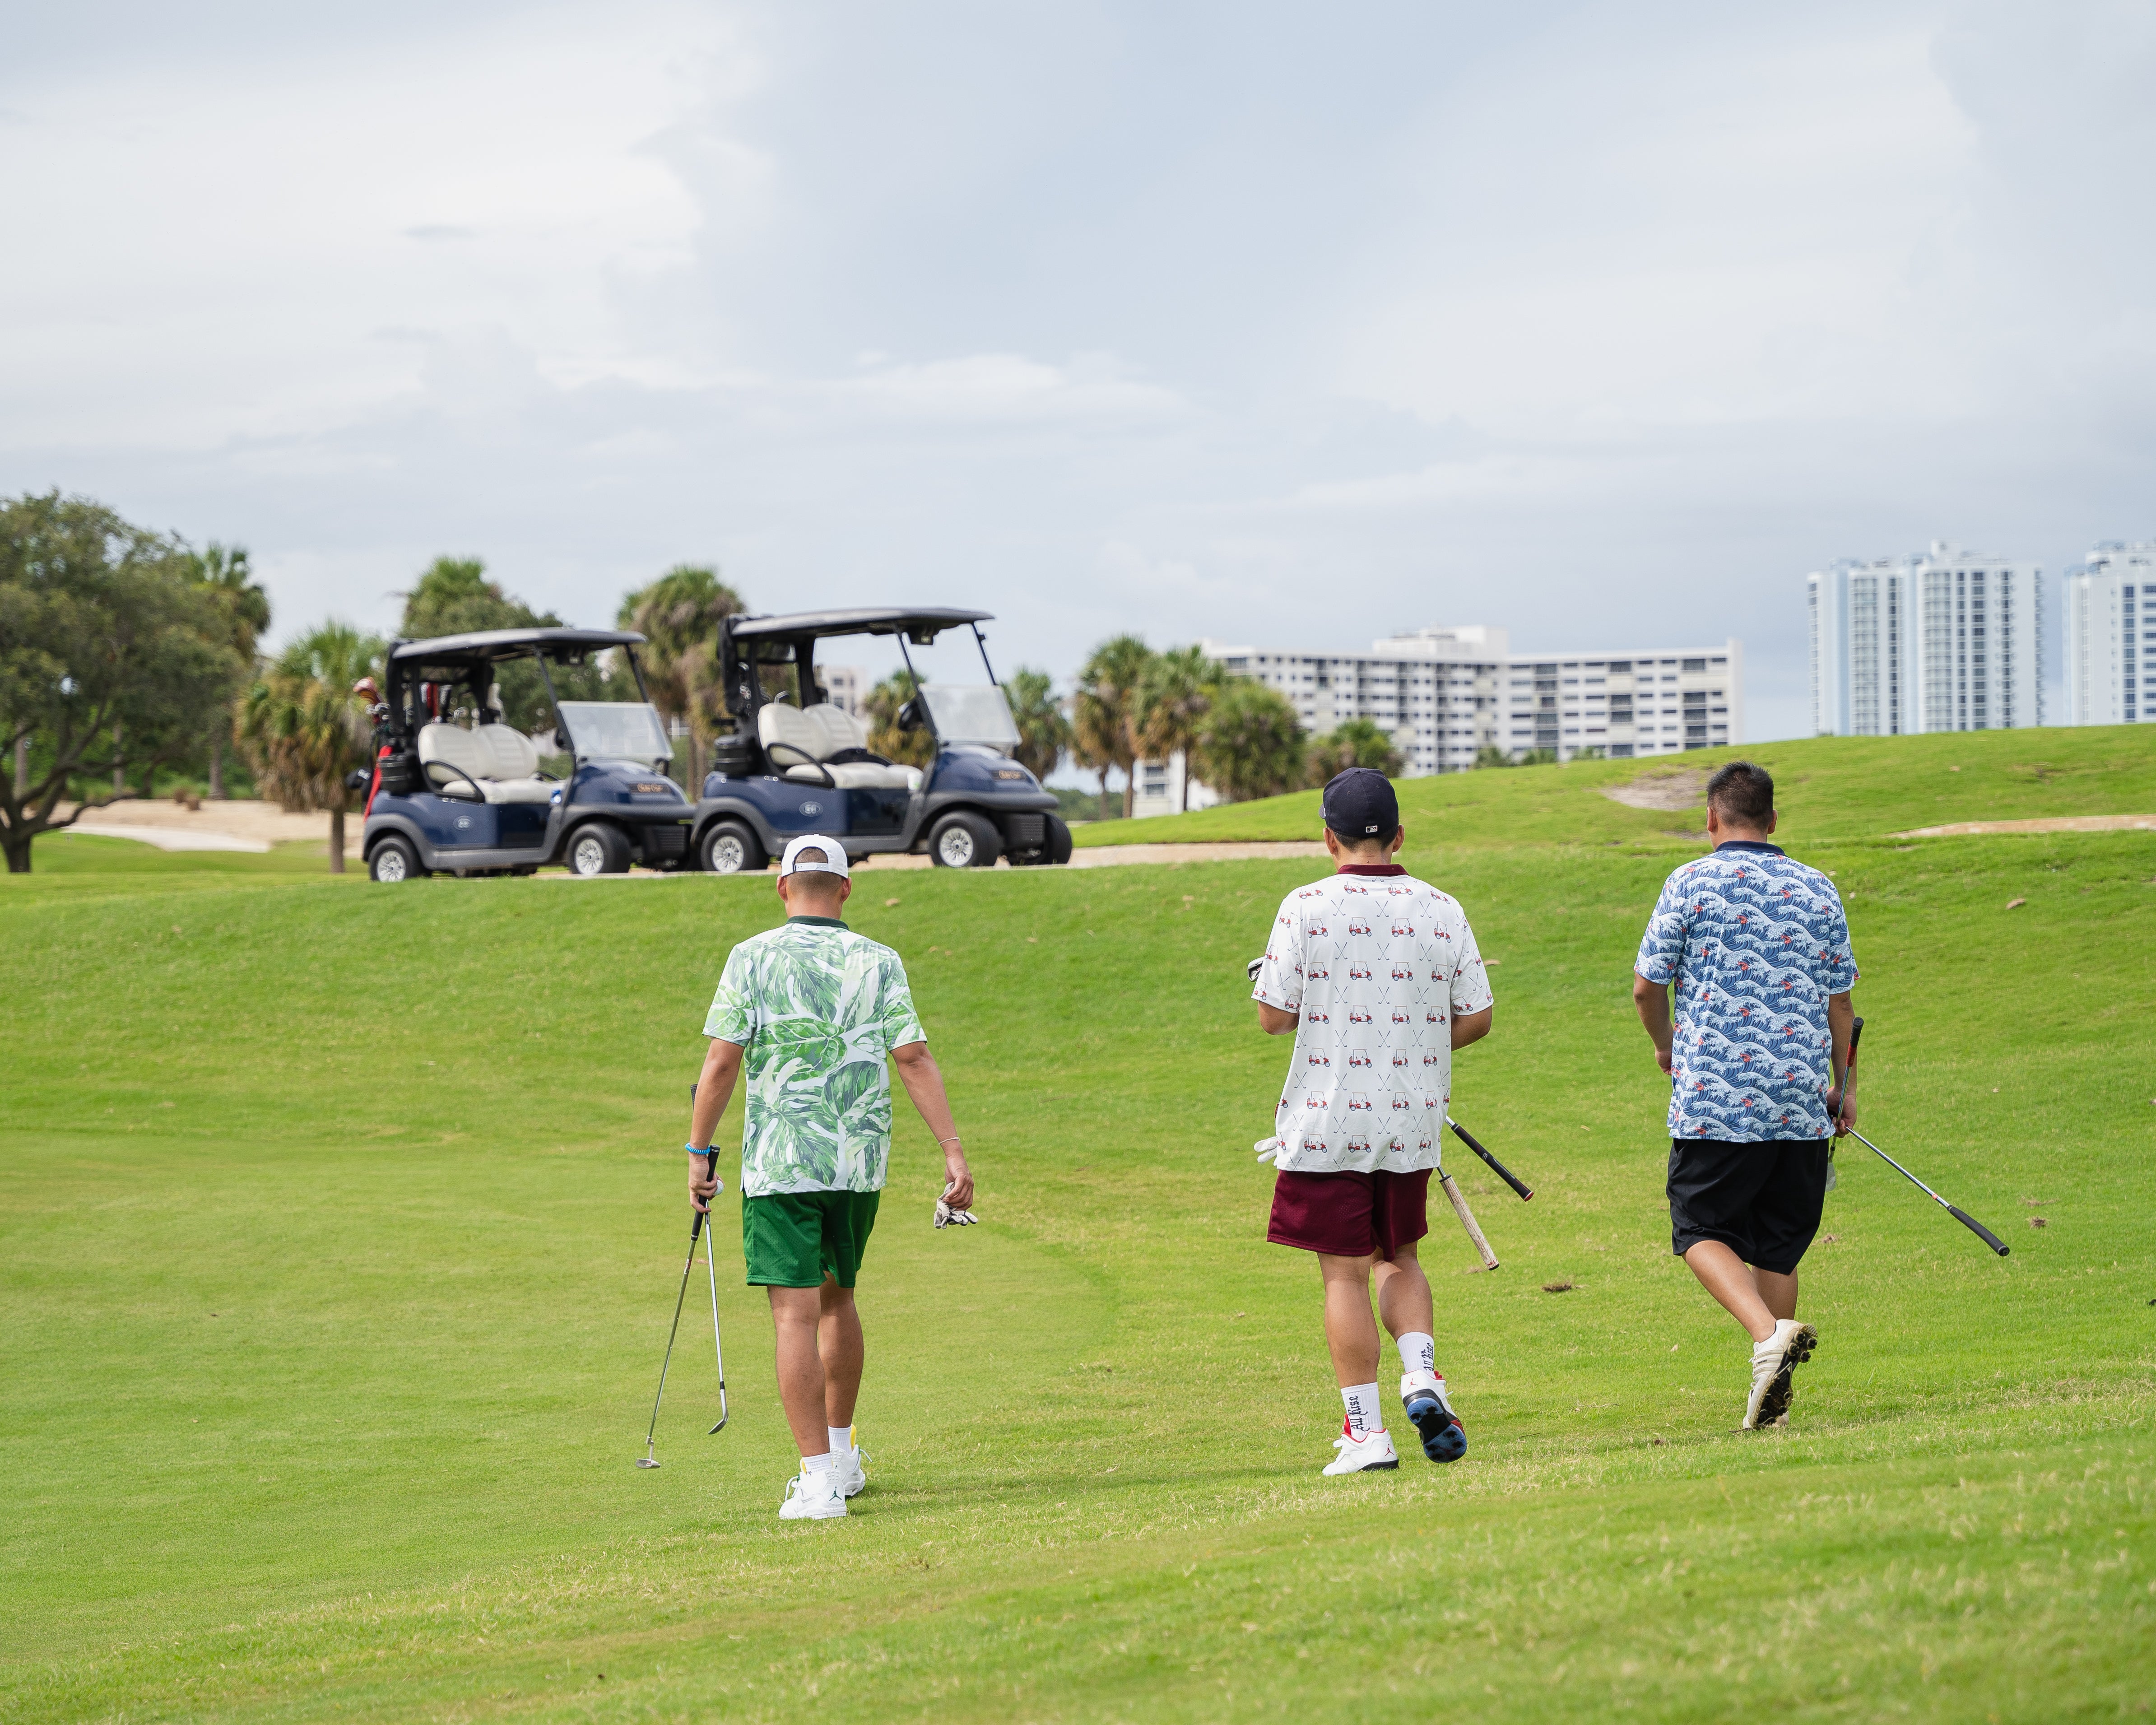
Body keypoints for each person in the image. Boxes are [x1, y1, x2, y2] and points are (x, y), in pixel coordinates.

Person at [684, 835, 976, 1520]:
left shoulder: (751, 957)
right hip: (857, 1161)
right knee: (838, 1300)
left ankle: (818, 1481)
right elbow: (913, 1057)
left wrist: (699, 1148)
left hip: (784, 1161)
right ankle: (841, 1457)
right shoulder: (880, 960)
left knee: (794, 1312)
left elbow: (723, 1063)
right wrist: (953, 1150)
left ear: (782, 887)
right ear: (845, 888)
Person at [1249, 768, 1495, 1474]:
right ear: (1398, 835)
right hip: (1412, 1115)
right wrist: (1412, 1035)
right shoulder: (1442, 907)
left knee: (1343, 1276)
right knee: (1401, 1254)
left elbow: (1273, 1015)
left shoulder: (1304, 904)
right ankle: (1422, 1374)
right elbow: (1476, 1016)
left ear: (1328, 837)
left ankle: (1368, 1434)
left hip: (1329, 1120)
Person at [1631, 760, 1858, 1432]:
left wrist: (1665, 1044)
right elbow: (1841, 1006)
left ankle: (1768, 1337)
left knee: (1698, 1229)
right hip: (1799, 1097)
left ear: (1712, 818)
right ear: (1773, 821)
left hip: (1716, 1097)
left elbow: (1647, 987)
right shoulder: (1819, 889)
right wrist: (1845, 1089)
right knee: (1777, 1248)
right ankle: (1774, 1395)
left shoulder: (1689, 882)